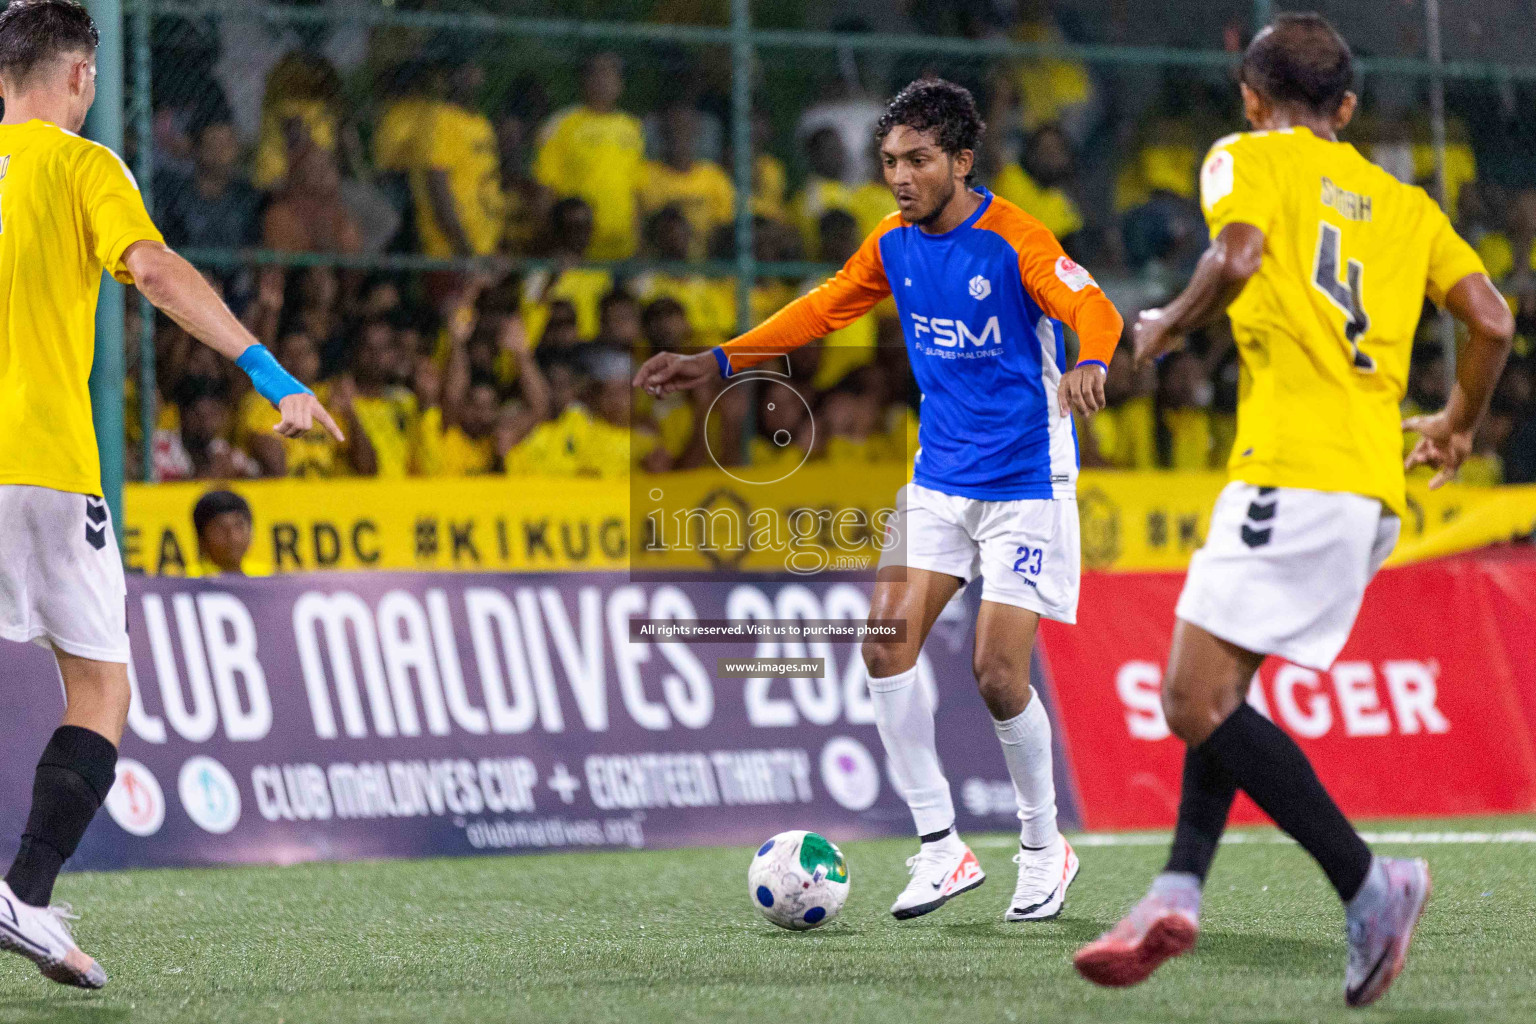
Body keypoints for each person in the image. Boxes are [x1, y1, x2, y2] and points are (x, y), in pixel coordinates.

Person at [1071, 16, 1512, 1007]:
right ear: (1348, 109)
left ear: (1249, 94)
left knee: (1190, 699)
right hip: (1367, 487)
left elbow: (1235, 255)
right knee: (1222, 690)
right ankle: (1177, 886)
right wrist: (1454, 421)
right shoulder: (1403, 203)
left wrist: (1165, 326)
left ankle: (1371, 884)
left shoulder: (1248, 154)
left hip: (1293, 473)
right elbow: (1491, 317)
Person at [634, 78, 1121, 924]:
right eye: (890, 160)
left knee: (998, 674)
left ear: (961, 162)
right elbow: (821, 311)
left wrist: (1093, 360)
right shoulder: (893, 243)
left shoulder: (1014, 238)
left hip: (1026, 482)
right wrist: (716, 361)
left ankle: (1045, 846)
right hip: (939, 479)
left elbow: (1093, 306)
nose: (900, 176)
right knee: (883, 647)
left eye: (918, 160)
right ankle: (942, 847)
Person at [0, 0, 339, 988]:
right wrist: (273, 375)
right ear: (80, 78)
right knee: (102, 688)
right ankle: (24, 889)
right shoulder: (82, 165)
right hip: (44, 470)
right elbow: (148, 266)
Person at [534, 52, 644, 260]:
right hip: (576, 252)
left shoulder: (632, 127)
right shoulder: (560, 125)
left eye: (611, 73)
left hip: (623, 253)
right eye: (596, 73)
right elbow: (544, 190)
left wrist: (638, 245)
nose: (603, 80)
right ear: (583, 80)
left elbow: (636, 192)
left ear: (620, 83)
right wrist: (555, 245)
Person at [190, 489, 259, 576]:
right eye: (219, 529)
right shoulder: (189, 581)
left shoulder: (266, 577)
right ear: (201, 539)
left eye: (238, 526)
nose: (232, 537)